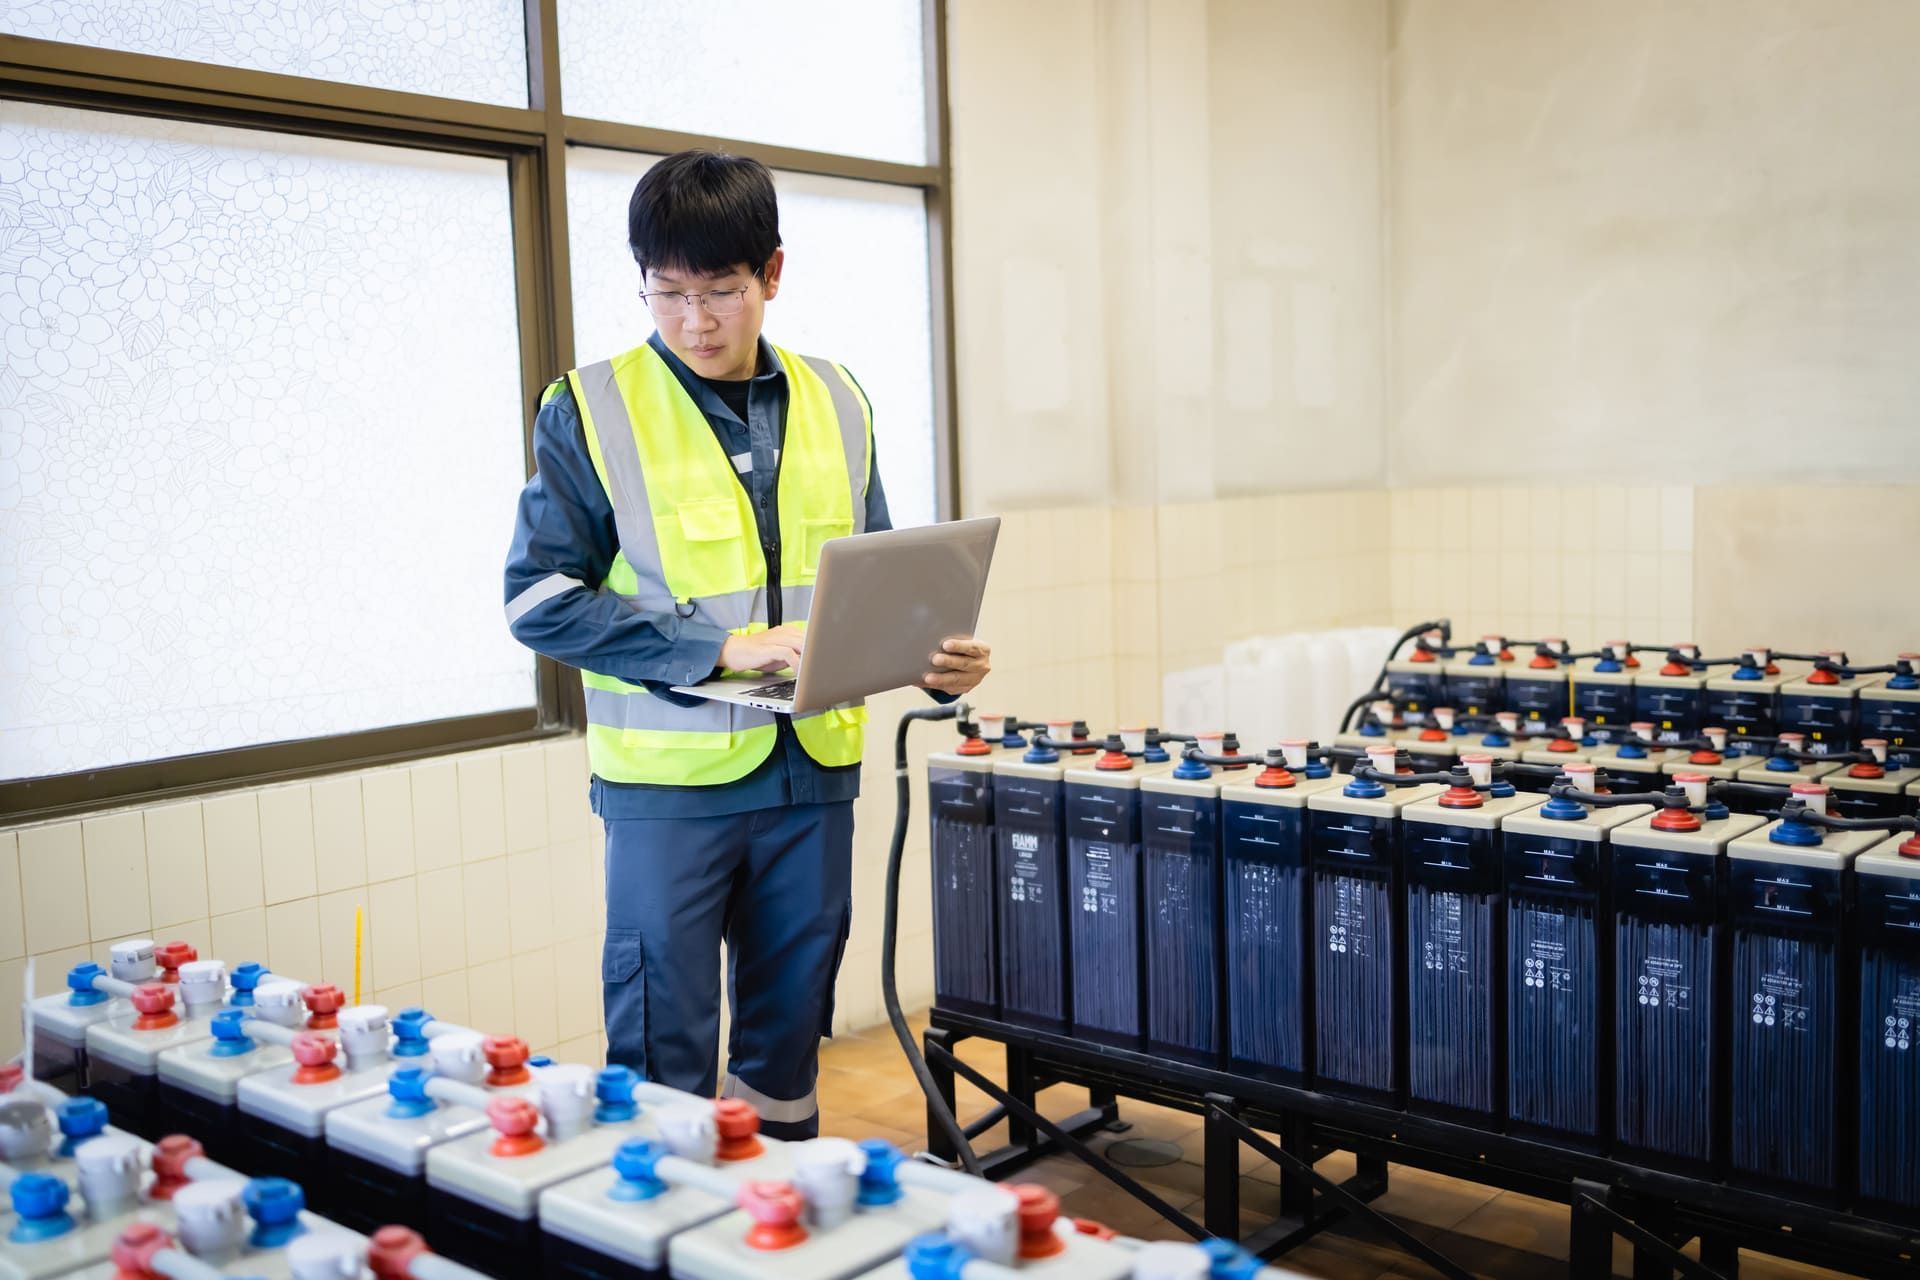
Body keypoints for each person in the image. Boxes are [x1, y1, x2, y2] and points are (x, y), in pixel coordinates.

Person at [502, 150, 990, 1138]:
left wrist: (938, 664)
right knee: (661, 1051)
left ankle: (776, 1229)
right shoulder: (591, 407)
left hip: (811, 778)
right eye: (667, 293)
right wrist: (715, 655)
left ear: (772, 272)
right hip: (669, 793)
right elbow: (539, 599)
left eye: (720, 290)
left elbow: (888, 589)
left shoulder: (840, 400)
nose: (694, 320)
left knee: (786, 1046)